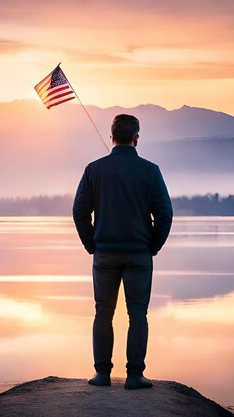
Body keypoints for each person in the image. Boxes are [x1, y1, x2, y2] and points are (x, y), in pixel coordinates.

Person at [72, 114, 173, 390]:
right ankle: (135, 375)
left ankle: (102, 374)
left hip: (104, 254)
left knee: (103, 311)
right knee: (137, 313)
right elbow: (165, 214)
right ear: (136, 137)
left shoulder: (94, 169)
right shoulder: (150, 171)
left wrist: (91, 244)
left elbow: (80, 213)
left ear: (111, 137)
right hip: (139, 254)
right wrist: (153, 245)